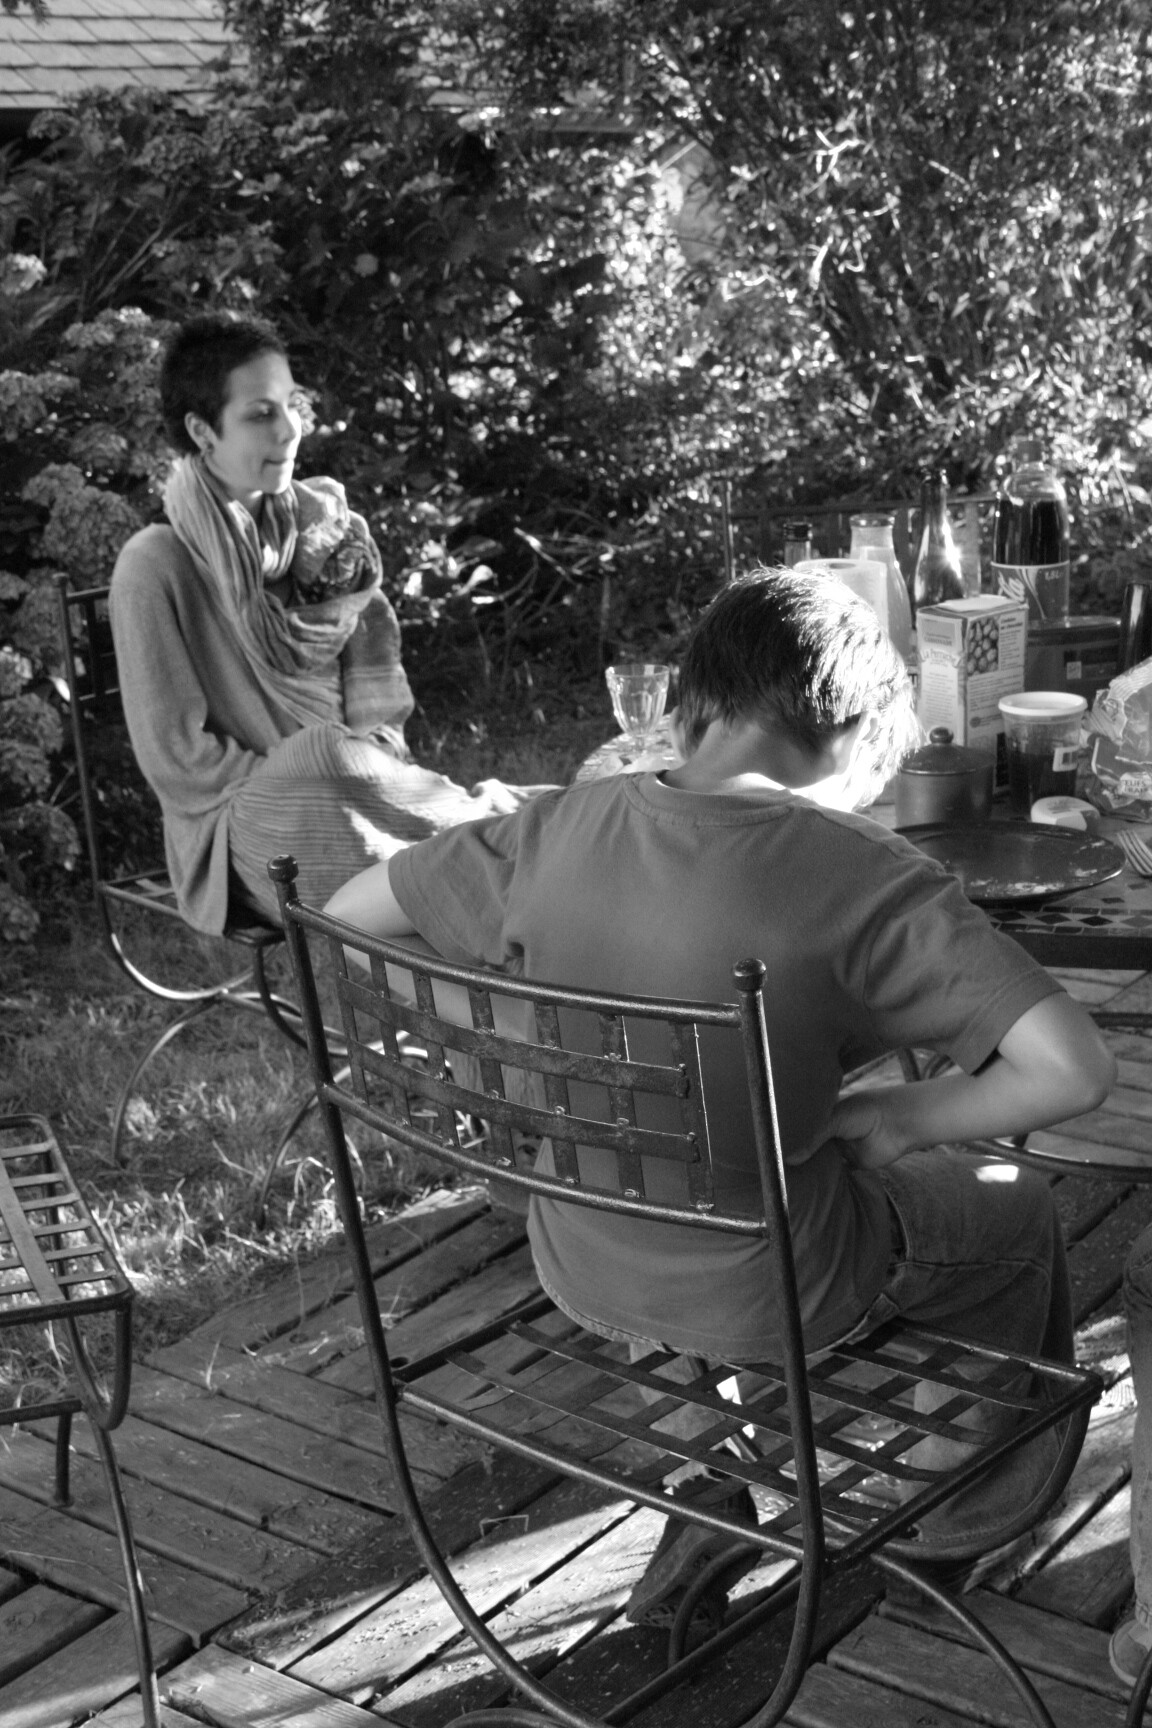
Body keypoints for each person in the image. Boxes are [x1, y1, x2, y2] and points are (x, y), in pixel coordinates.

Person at [324, 568, 1115, 1627]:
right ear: (853, 736)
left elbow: (348, 914)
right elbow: (1073, 1069)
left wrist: (512, 1023)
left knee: (682, 1150)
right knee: (1014, 1209)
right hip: (784, 1289)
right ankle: (953, 1525)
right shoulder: (866, 872)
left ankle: (709, 1482)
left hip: (582, 1249)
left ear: (688, 708)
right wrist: (898, 1117)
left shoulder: (554, 826)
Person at [110, 312, 544, 934]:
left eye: (292, 404)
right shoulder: (153, 564)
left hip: (354, 786)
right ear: (202, 431)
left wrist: (361, 769)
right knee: (320, 757)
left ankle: (520, 846)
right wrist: (309, 782)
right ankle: (530, 832)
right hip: (242, 827)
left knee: (340, 768)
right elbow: (178, 760)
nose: (290, 429)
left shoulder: (326, 535)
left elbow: (378, 705)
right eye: (261, 414)